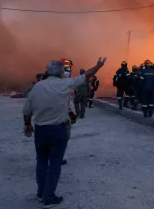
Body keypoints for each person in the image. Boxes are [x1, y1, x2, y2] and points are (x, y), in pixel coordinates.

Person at [22, 57, 106, 207]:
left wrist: (28, 125)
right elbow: (86, 76)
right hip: (58, 130)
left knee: (41, 161)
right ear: (61, 72)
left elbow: (27, 110)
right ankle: (49, 197)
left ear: (47, 71)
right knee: (54, 164)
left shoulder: (37, 87)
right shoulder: (65, 84)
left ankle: (41, 193)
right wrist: (98, 66)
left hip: (40, 130)